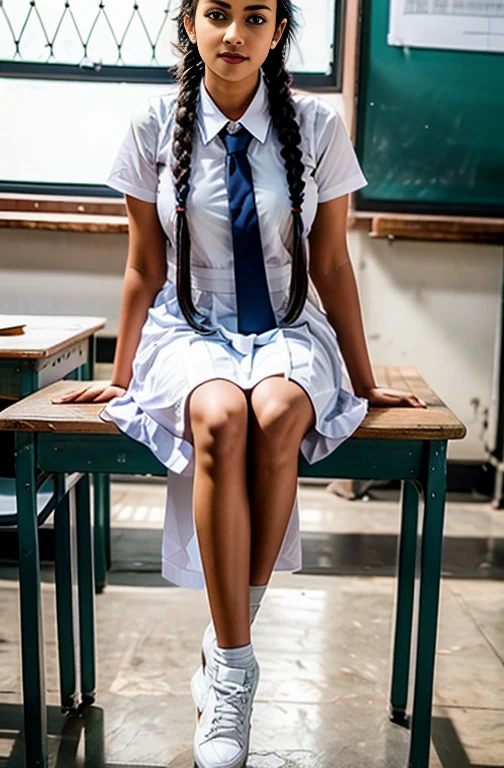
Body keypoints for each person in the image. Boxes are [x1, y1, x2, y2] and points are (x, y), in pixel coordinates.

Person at [52, 0, 427, 765]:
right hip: (187, 329)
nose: (234, 34)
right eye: (217, 14)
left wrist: (363, 382)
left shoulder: (316, 128)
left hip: (289, 327)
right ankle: (235, 673)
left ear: (278, 31)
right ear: (189, 23)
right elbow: (143, 267)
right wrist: (120, 381)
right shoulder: (153, 126)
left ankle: (224, 645)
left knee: (280, 410)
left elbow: (330, 266)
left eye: (256, 17)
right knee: (221, 416)